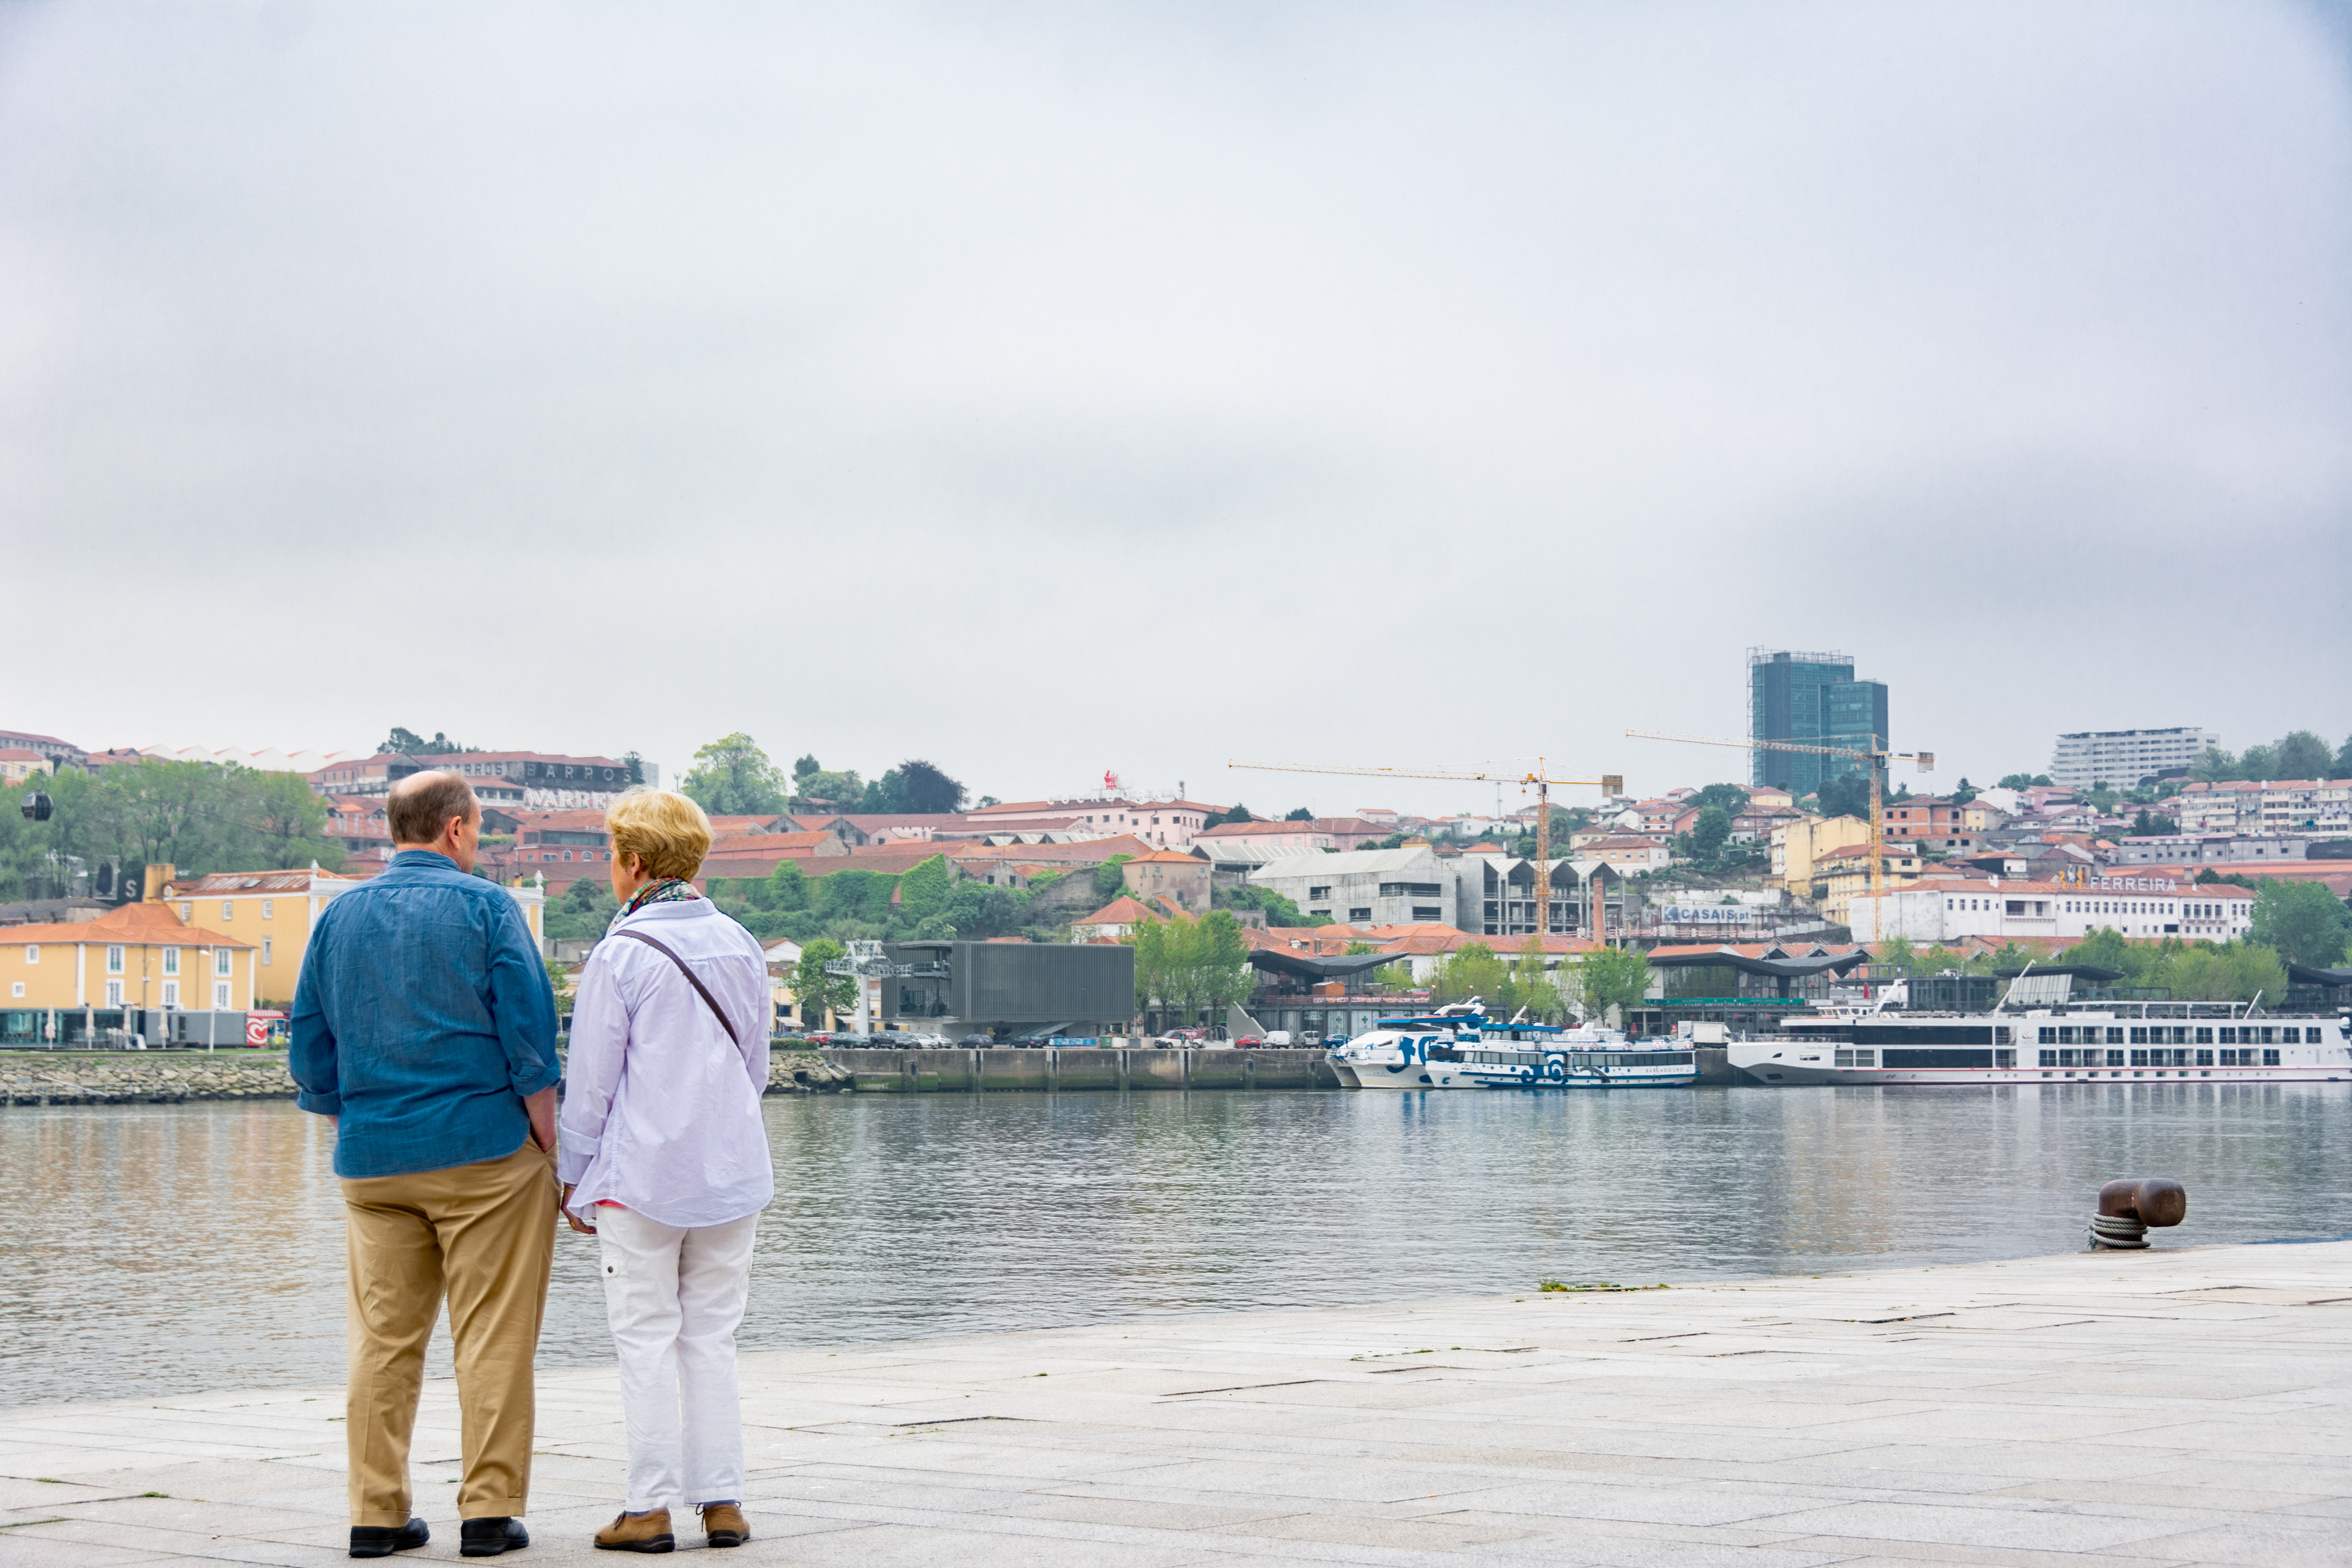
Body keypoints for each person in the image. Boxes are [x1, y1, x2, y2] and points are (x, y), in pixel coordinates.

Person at [290, 771, 561, 1561]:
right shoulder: (487, 908)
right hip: (483, 1154)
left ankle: (376, 1515)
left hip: (374, 1160)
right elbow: (531, 1042)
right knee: (493, 1337)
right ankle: (488, 1512)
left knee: (381, 1340)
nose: (478, 838)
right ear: (455, 829)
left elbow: (310, 1042)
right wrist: (547, 1141)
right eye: (478, 827)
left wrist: (354, 1116)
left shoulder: (338, 918)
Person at [557, 789, 772, 1553]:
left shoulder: (620, 954)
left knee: (645, 1337)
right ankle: (723, 1502)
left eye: (612, 854)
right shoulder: (743, 945)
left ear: (635, 862)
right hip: (731, 1175)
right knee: (712, 1336)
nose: (611, 868)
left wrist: (571, 1176)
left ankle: (648, 1507)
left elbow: (589, 1087)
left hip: (640, 1177)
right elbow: (756, 1068)